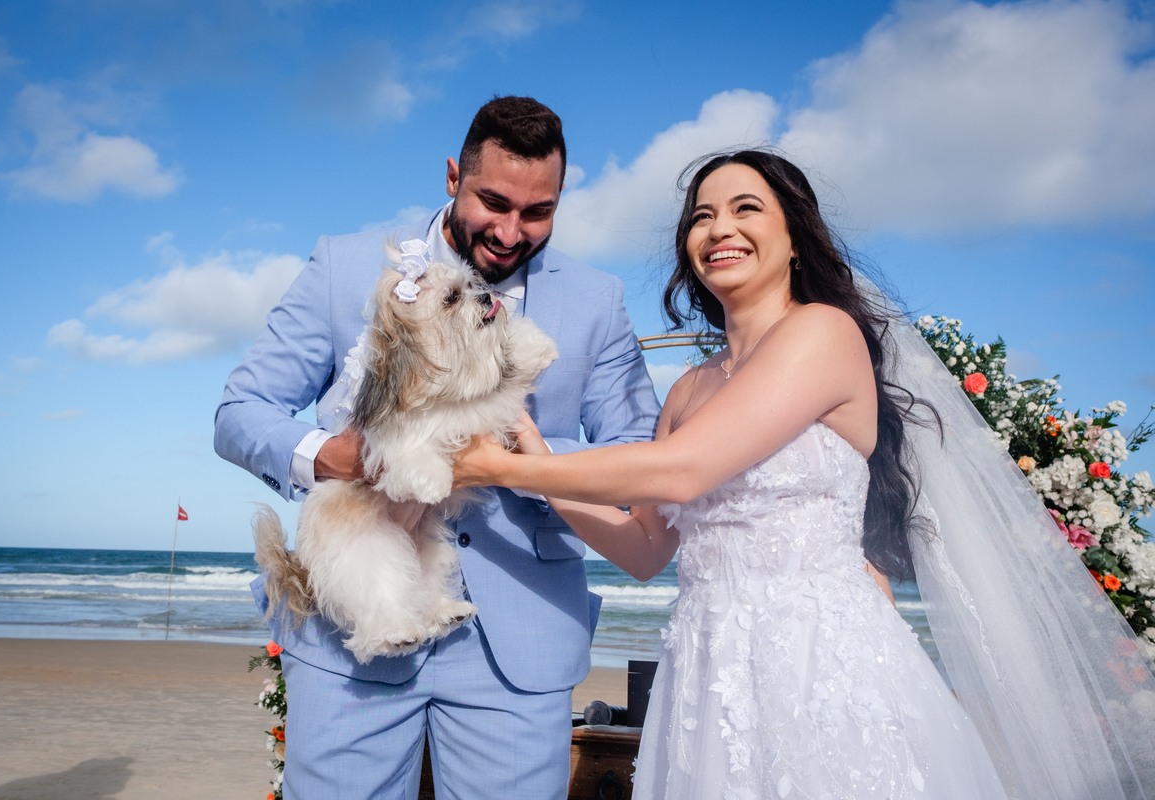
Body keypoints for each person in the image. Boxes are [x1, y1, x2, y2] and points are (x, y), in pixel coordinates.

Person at [453, 150, 1155, 799]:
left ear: (795, 239)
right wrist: (535, 465)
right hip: (707, 679)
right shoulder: (688, 390)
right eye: (702, 216)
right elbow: (643, 550)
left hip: (824, 668)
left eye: (746, 208)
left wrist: (489, 465)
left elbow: (681, 471)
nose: (719, 228)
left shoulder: (822, 333)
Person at [213, 96, 660, 800]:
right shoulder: (341, 266)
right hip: (351, 631)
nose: (510, 232)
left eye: (537, 212)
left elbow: (636, 456)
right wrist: (338, 456)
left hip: (519, 643)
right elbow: (240, 413)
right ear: (454, 176)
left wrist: (514, 459)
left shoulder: (597, 301)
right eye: (494, 202)